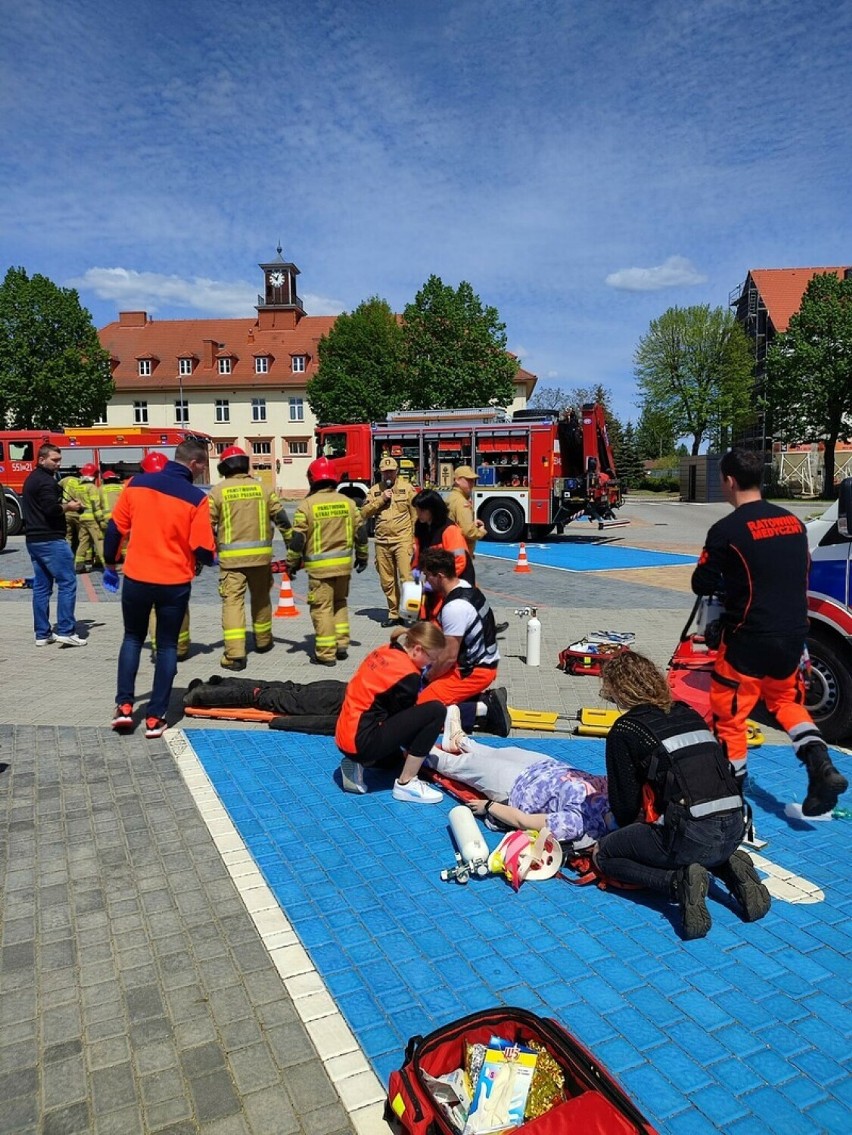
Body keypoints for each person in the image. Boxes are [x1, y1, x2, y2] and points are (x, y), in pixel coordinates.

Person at [692, 447, 848, 817]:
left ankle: (730, 796)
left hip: (748, 638)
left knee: (729, 714)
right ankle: (819, 764)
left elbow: (702, 583)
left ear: (729, 481)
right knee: (786, 703)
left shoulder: (727, 529)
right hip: (794, 637)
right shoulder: (794, 524)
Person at [592, 651, 771, 941]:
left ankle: (676, 883)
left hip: (693, 834)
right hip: (735, 825)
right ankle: (727, 865)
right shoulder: (687, 712)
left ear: (617, 690)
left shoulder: (625, 730)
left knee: (606, 855)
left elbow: (624, 810)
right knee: (701, 837)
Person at [103, 439, 216, 738]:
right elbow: (202, 547)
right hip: (173, 583)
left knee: (131, 638)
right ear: (194, 463)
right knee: (166, 646)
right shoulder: (196, 498)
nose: (205, 470)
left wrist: (109, 565)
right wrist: (211, 558)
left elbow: (115, 529)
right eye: (204, 464)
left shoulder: (136, 484)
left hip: (137, 578)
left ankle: (124, 708)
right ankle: (155, 717)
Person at [427, 724, 613, 844]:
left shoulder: (578, 823)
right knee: (492, 752)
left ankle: (419, 750)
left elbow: (524, 821)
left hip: (516, 787)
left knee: (460, 765)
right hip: (544, 766)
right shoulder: (617, 791)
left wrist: (490, 806)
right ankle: (460, 742)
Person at [335, 621, 448, 803]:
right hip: (361, 742)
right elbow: (406, 724)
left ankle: (357, 763)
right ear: (418, 649)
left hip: (344, 734)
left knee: (395, 762)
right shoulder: (409, 676)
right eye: (432, 658)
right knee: (436, 711)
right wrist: (423, 746)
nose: (432, 664)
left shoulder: (385, 650)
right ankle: (406, 784)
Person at [208, 445, 293, 671]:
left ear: (223, 467)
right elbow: (283, 519)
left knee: (233, 604)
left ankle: (236, 655)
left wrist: (208, 552)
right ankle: (264, 641)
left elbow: (206, 525)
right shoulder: (263, 490)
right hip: (261, 560)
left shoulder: (217, 492)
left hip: (231, 563)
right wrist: (292, 549)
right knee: (261, 598)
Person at [418, 548, 510, 736]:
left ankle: (485, 708)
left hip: (474, 671)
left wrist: (428, 677)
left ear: (440, 576)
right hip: (478, 663)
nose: (425, 581)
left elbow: (449, 657)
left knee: (421, 711)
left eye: (427, 576)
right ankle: (480, 702)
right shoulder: (465, 586)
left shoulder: (455, 607)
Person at [287, 457, 369, 666]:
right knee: (339, 604)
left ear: (312, 479)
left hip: (319, 572)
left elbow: (298, 539)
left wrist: (292, 562)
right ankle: (341, 645)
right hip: (343, 567)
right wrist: (362, 556)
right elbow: (361, 533)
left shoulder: (307, 505)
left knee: (322, 608)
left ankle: (325, 653)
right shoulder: (348, 503)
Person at [21, 443, 87, 647]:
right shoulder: (46, 482)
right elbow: (51, 509)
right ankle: (66, 630)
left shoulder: (32, 479)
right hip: (51, 539)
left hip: (34, 539)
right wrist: (71, 506)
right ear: (41, 459)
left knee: (42, 587)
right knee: (67, 582)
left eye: (59, 460)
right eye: (54, 460)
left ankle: (42, 634)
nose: (58, 464)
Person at [360, 455, 417, 627]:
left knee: (407, 578)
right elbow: (363, 513)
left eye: (391, 471)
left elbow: (415, 515)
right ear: (381, 473)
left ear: (397, 471)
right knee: (387, 581)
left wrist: (415, 539)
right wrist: (381, 499)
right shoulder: (375, 490)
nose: (388, 475)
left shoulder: (407, 489)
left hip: (403, 540)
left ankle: (411, 614)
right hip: (382, 542)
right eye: (385, 472)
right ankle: (394, 614)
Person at [73, 463, 106, 573]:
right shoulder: (92, 488)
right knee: (99, 541)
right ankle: (107, 567)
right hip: (92, 519)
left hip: (82, 518)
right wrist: (101, 520)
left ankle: (79, 565)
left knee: (83, 542)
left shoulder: (79, 487)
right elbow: (95, 504)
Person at [446, 466, 485, 557]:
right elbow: (468, 531)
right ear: (458, 480)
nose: (472, 484)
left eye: (473, 480)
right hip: (461, 553)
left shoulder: (452, 497)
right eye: (468, 480)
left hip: (452, 549)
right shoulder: (461, 502)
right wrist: (481, 532)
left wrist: (471, 523)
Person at [58, 466, 83, 554]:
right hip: (78, 512)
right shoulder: (82, 482)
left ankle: (66, 554)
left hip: (67, 511)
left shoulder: (66, 479)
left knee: (68, 536)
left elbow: (57, 487)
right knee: (81, 536)